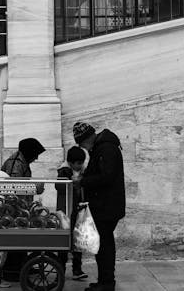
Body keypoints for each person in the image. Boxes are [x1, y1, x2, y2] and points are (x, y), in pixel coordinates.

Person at [72, 122, 126, 291]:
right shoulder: (101, 148)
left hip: (107, 207)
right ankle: (104, 281)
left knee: (104, 246)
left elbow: (106, 176)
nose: (83, 149)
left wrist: (83, 181)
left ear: (87, 139)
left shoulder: (106, 149)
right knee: (102, 245)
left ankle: (107, 283)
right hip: (104, 206)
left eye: (81, 144)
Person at [0, 138, 46, 282]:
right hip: (13, 209)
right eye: (35, 154)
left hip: (19, 208)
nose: (37, 157)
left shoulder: (19, 161)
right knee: (16, 240)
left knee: (21, 240)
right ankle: (12, 271)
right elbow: (14, 187)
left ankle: (23, 265)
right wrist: (35, 188)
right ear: (29, 152)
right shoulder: (17, 164)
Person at [55, 146, 88, 280]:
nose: (80, 166)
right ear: (71, 162)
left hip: (78, 209)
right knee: (63, 241)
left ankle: (77, 269)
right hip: (66, 211)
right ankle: (60, 270)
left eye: (82, 163)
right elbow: (59, 186)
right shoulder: (64, 171)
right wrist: (73, 184)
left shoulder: (83, 172)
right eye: (78, 163)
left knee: (78, 240)